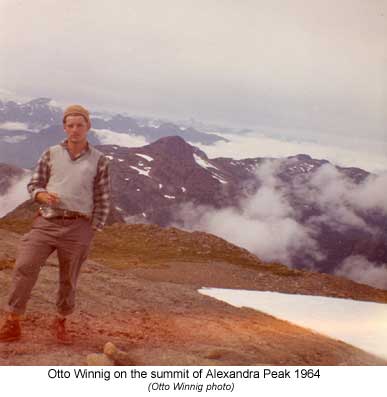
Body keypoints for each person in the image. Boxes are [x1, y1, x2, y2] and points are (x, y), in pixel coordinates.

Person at [0, 104, 110, 344]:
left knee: (69, 278)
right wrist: (40, 195)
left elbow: (102, 197)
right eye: (70, 125)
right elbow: (34, 184)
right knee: (24, 266)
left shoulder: (99, 160)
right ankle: (13, 322)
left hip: (78, 226)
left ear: (88, 127)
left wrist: (93, 230)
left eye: (80, 125)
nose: (75, 129)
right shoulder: (50, 153)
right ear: (64, 127)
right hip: (46, 221)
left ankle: (60, 321)